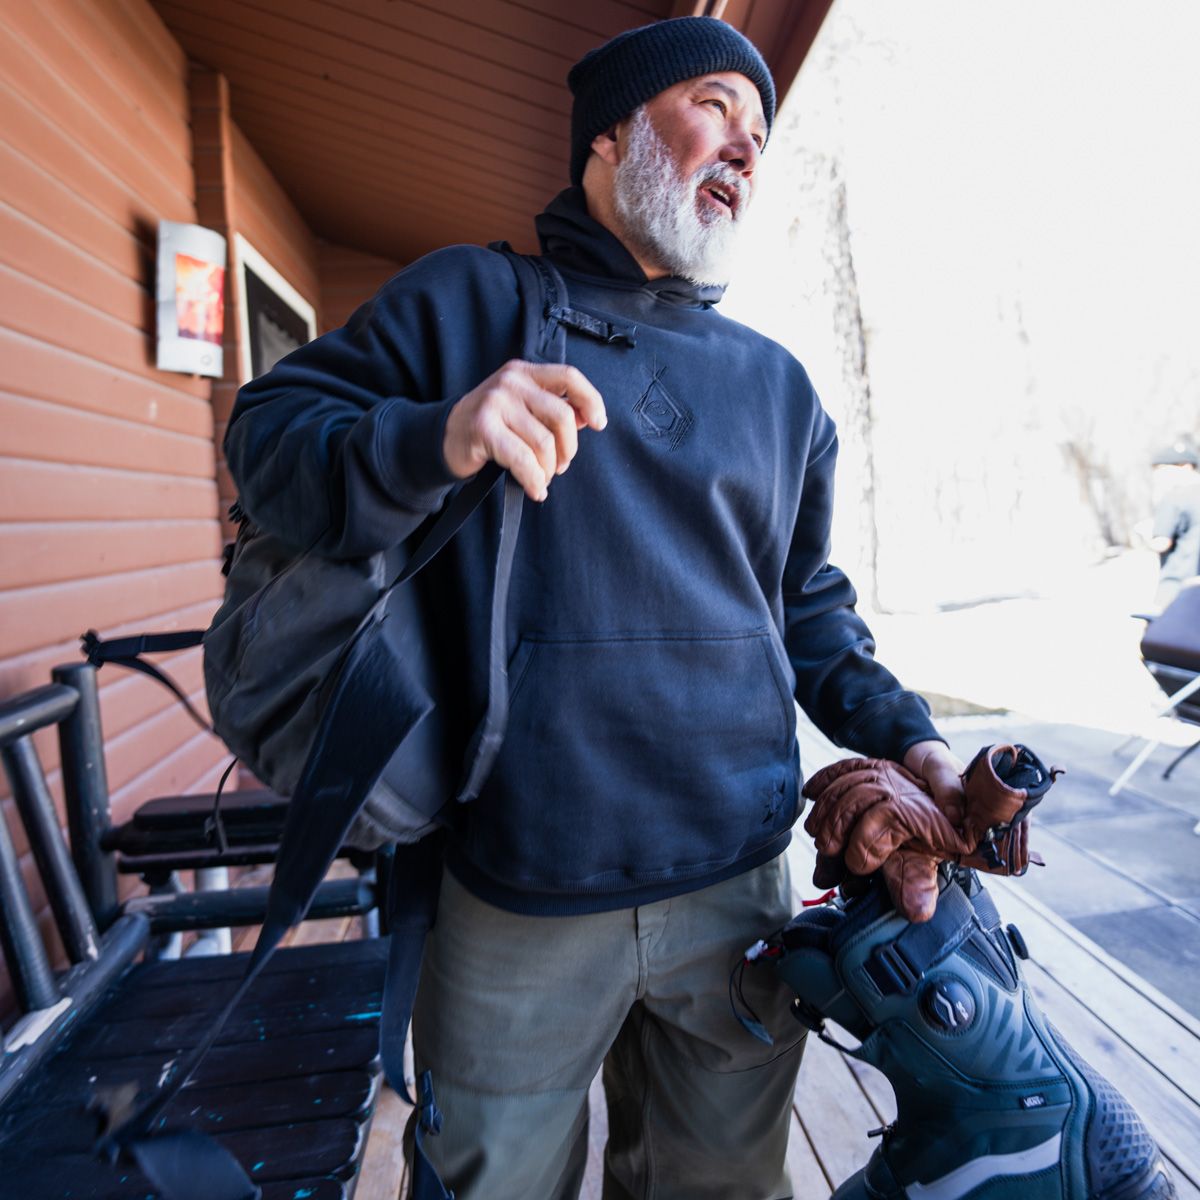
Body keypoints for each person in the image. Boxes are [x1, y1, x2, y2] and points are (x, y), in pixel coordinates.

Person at [224, 17, 965, 1199]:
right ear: (612, 136)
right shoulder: (467, 302)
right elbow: (265, 437)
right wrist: (436, 435)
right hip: (517, 884)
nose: (747, 148)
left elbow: (811, 614)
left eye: (761, 132)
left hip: (736, 887)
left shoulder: (779, 388)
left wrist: (911, 739)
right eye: (716, 106)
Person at [1147, 436, 1200, 612]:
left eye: (1162, 469)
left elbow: (1161, 543)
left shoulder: (1173, 498)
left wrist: (1146, 534)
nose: (1158, 476)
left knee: (1156, 628)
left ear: (1185, 466)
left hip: (1177, 589)